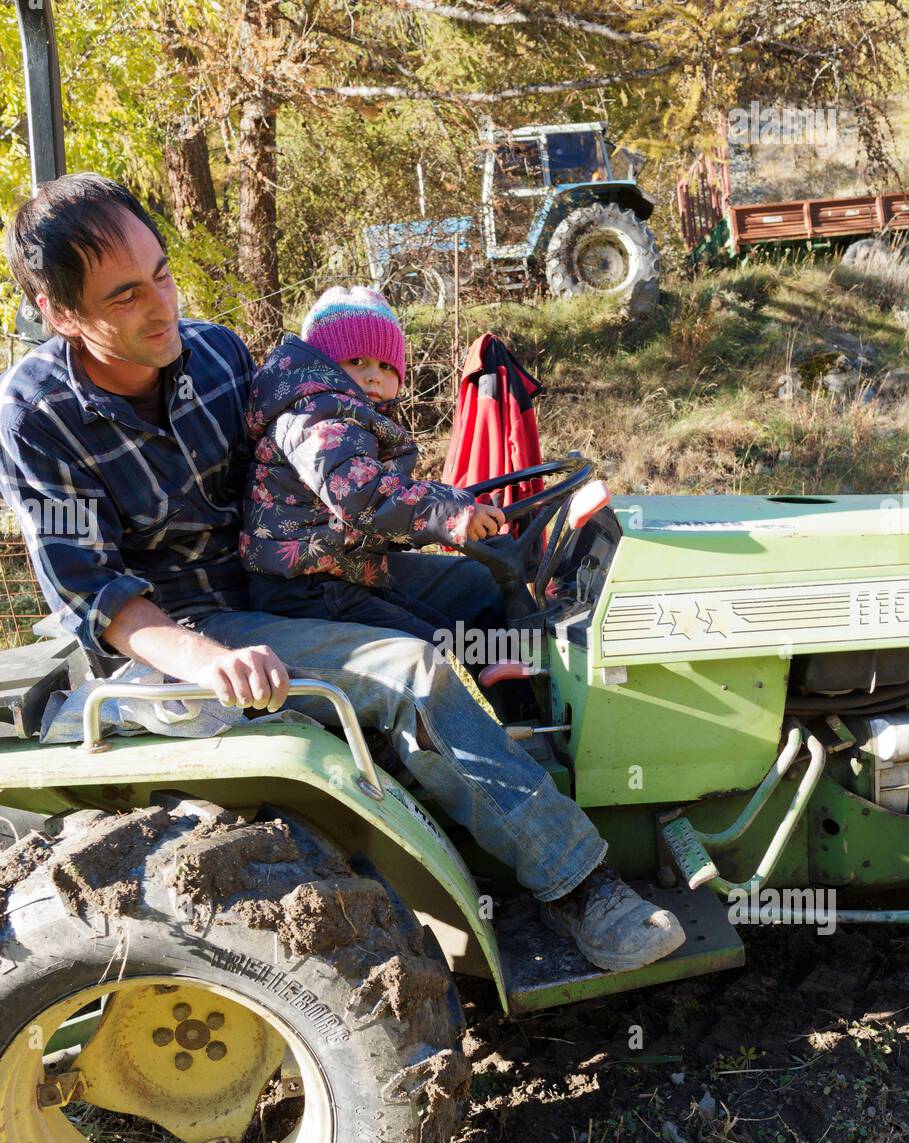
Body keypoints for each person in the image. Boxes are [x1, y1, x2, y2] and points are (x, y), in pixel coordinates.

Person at [0, 172, 686, 974]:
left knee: (486, 588)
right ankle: (579, 886)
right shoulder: (35, 417)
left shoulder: (215, 354)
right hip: (190, 626)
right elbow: (95, 592)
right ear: (59, 313)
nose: (161, 306)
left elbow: (308, 457)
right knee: (409, 671)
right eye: (124, 297)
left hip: (286, 576)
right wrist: (210, 660)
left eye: (162, 273)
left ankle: (522, 771)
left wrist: (418, 513)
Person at [241, 284, 504, 646]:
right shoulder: (317, 417)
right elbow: (362, 497)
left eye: (385, 365)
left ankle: (522, 691)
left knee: (457, 636)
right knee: (434, 648)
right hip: (301, 587)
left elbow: (380, 493)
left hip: (343, 575)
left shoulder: (352, 417)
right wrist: (448, 512)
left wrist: (454, 500)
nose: (373, 376)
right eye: (356, 361)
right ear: (324, 365)